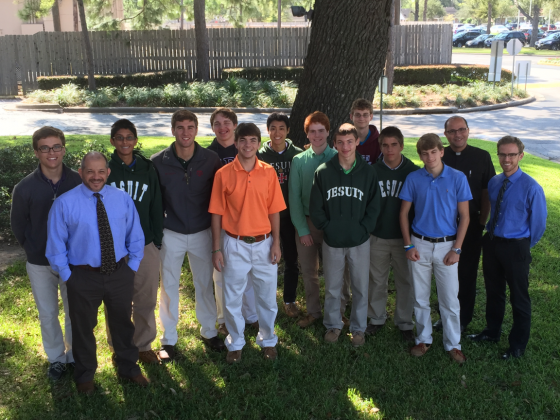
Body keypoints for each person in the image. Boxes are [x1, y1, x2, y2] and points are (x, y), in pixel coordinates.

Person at [46, 152, 148, 394]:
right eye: (90, 171)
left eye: (101, 171)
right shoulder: (65, 203)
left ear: (108, 172)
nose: (96, 176)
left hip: (119, 273)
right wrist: (68, 276)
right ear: (81, 172)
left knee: (123, 323)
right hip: (82, 276)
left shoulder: (122, 199)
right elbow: (56, 246)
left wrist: (131, 267)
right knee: (82, 328)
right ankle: (85, 375)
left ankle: (128, 367)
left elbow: (135, 235)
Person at [151, 110, 224, 362]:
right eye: (180, 127)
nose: (185, 132)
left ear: (196, 130)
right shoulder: (158, 161)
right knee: (168, 286)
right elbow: (154, 201)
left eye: (190, 127)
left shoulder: (211, 159)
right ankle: (169, 339)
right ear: (172, 130)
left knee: (205, 284)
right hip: (171, 232)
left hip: (203, 231)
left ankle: (209, 331)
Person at [209, 123, 286, 363]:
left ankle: (268, 339)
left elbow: (274, 210)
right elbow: (216, 214)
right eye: (243, 140)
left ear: (258, 143)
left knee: (266, 297)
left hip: (264, 242)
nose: (248, 145)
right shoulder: (223, 174)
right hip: (235, 243)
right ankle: (236, 342)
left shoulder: (268, 172)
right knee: (232, 296)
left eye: (253, 140)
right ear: (236, 143)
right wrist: (216, 248)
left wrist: (276, 243)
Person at [10, 126, 82, 381]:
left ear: (64, 149)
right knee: (48, 313)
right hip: (40, 262)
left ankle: (75, 356)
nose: (51, 152)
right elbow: (18, 224)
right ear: (36, 152)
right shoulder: (25, 187)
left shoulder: (77, 181)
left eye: (56, 147)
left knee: (75, 310)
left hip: (73, 261)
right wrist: (33, 248)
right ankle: (56, 358)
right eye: (45, 148)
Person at [469, 136, 547, 360]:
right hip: (493, 243)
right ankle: (492, 332)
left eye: (512, 154)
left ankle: (517, 345)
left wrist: (523, 247)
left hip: (517, 248)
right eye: (502, 154)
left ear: (520, 156)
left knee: (519, 297)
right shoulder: (494, 182)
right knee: (494, 292)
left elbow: (539, 224)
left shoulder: (532, 187)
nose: (507, 159)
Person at [399, 133, 472, 364]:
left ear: (441, 151)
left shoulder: (458, 178)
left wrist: (457, 249)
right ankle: (423, 339)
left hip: (447, 245)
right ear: (419, 155)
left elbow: (465, 216)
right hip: (419, 243)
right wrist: (408, 244)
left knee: (449, 299)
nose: (429, 157)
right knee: (420, 297)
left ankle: (453, 344)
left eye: (433, 152)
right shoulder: (413, 178)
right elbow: (403, 214)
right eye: (424, 153)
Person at [310, 123, 380, 346]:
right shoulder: (324, 172)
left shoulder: (368, 172)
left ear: (357, 142)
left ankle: (358, 328)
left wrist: (364, 228)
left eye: (350, 141)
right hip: (333, 240)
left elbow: (374, 205)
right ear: (334, 144)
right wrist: (327, 227)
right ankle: (333, 324)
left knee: (360, 286)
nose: (345, 146)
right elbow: (316, 207)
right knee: (333, 286)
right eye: (340, 142)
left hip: (360, 240)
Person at [105, 119, 164, 364]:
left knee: (146, 297)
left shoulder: (147, 168)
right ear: (112, 141)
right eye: (119, 137)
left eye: (129, 137)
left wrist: (157, 239)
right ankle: (120, 347)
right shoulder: (106, 169)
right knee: (117, 300)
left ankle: (143, 345)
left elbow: (156, 205)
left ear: (136, 140)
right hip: (114, 247)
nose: (125, 142)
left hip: (145, 243)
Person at [432, 116, 495, 333]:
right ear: (445, 134)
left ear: (468, 130)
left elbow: (487, 192)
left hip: (471, 224)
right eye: (452, 131)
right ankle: (443, 316)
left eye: (461, 130)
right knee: (443, 272)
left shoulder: (481, 157)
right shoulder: (439, 156)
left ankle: (462, 318)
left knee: (466, 273)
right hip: (442, 224)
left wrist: (481, 221)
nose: (457, 135)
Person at [289, 111, 350, 328]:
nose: (317, 135)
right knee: (309, 271)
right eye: (312, 131)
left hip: (333, 224)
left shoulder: (338, 158)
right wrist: (302, 229)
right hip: (306, 223)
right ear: (307, 134)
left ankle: (339, 311)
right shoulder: (298, 161)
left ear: (328, 132)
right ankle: (313, 312)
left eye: (321, 131)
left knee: (338, 272)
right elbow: (294, 198)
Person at [207, 107, 258, 335]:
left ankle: (251, 315)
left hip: (246, 224)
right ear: (212, 128)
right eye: (217, 124)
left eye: (226, 123)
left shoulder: (249, 152)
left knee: (247, 274)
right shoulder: (207, 155)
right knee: (221, 275)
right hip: (222, 223)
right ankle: (223, 319)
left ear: (235, 127)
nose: (222, 128)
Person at [367, 126, 419, 342]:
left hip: (404, 238)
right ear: (380, 147)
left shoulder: (413, 172)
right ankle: (376, 318)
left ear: (401, 145)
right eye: (385, 145)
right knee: (376, 280)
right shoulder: (372, 172)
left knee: (405, 281)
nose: (389, 149)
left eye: (394, 145)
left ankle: (405, 322)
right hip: (377, 235)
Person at [257, 112, 303, 318]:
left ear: (288, 131)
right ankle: (263, 301)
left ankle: (289, 299)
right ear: (268, 130)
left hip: (290, 216)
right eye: (273, 128)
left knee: (292, 259)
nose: (277, 132)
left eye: (281, 128)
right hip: (265, 216)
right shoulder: (259, 156)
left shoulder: (298, 155)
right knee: (266, 259)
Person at [349, 98, 381, 165]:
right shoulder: (345, 140)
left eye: (365, 115)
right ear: (351, 116)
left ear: (371, 117)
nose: (361, 118)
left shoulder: (380, 142)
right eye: (357, 115)